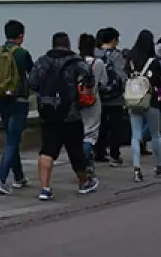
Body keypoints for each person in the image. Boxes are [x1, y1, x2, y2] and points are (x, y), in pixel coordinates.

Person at [28, 32, 98, 200]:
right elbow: (90, 80)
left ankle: (45, 188)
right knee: (75, 150)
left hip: (48, 112)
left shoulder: (42, 61)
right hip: (71, 113)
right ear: (68, 44)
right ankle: (84, 183)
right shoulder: (76, 62)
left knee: (47, 150)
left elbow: (32, 83)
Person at [0, 19, 34, 194]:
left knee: (11, 137)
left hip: (1, 100)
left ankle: (19, 177)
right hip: (19, 100)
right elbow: (33, 76)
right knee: (12, 140)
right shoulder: (22, 54)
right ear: (21, 36)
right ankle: (1, 179)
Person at [125, 29, 161, 182]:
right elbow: (160, 82)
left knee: (135, 136)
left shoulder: (130, 59)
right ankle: (159, 164)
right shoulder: (153, 62)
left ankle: (137, 168)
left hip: (133, 100)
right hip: (150, 101)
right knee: (155, 134)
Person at [94, 27, 126, 166]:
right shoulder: (116, 55)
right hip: (115, 98)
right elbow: (121, 75)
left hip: (98, 96)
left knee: (100, 126)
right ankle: (114, 155)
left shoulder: (95, 53)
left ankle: (99, 152)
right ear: (113, 40)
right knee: (115, 127)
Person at [77, 33, 106, 172]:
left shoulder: (75, 62)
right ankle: (85, 161)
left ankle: (84, 161)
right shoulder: (98, 63)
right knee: (91, 134)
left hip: (77, 101)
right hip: (92, 100)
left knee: (80, 132)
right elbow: (103, 82)